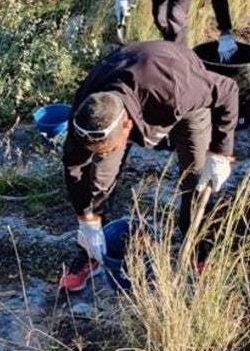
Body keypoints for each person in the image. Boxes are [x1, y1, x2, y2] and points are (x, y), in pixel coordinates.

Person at [59, 41, 239, 292]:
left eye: (109, 148)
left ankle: (197, 249)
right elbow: (74, 166)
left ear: (126, 126)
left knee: (196, 179)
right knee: (99, 177)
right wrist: (85, 219)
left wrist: (221, 152)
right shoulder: (87, 114)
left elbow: (228, 89)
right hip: (125, 76)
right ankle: (91, 253)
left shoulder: (176, 92)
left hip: (177, 82)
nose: (104, 153)